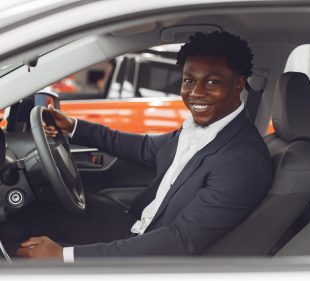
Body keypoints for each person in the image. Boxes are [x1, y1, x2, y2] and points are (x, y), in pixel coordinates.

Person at [16, 31, 273, 261]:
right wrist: (74, 127)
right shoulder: (201, 127)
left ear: (238, 84)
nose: (195, 92)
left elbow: (178, 241)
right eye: (188, 81)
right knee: (37, 212)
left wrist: (64, 256)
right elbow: (145, 148)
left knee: (30, 225)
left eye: (212, 82)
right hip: (138, 225)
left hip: (155, 254)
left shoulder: (244, 161)